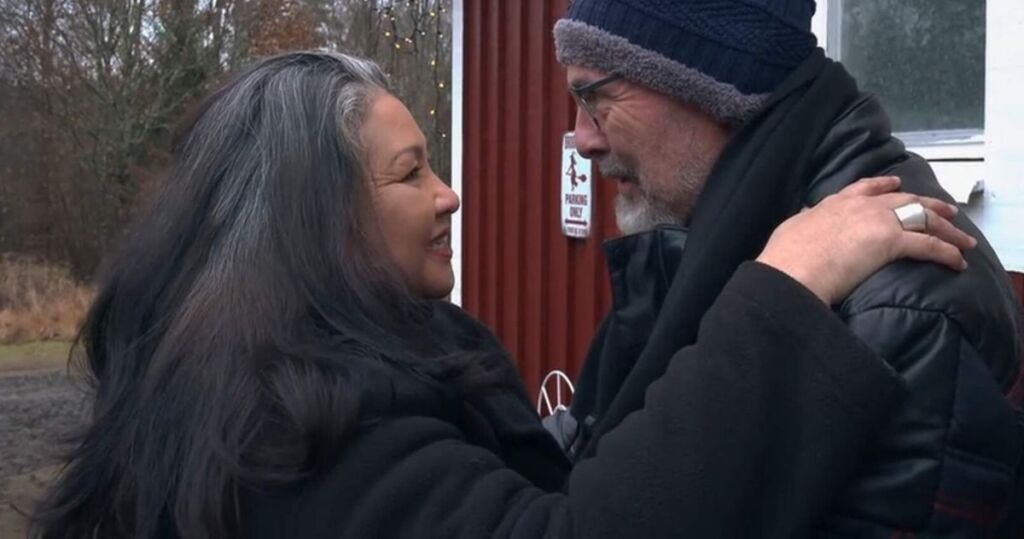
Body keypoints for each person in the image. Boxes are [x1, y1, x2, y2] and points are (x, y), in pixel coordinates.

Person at [32, 52, 974, 539]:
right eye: (410, 173)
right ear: (315, 219)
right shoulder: (290, 433)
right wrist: (785, 283)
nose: (448, 195)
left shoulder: (250, 373)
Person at [553, 0, 1024, 535]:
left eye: (595, 96)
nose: (582, 138)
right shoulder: (720, 236)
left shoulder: (901, 308)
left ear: (712, 85)